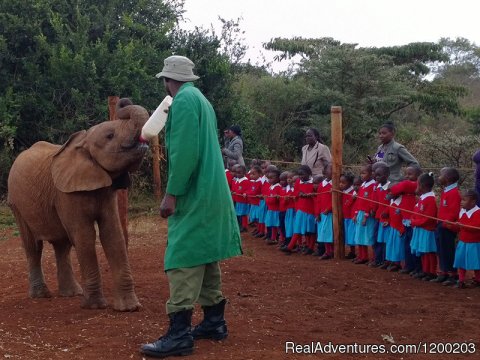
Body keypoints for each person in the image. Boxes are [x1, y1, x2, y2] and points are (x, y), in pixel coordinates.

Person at [140, 55, 242, 358]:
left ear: (167, 80)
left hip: (195, 193)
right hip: (212, 191)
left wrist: (171, 194)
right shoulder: (200, 99)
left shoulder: (182, 102)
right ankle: (214, 322)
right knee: (205, 254)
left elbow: (185, 152)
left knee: (182, 255)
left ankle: (179, 333)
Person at [433, 167, 461, 285]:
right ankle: (443, 272)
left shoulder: (454, 193)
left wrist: (445, 223)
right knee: (441, 249)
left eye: (441, 175)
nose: (439, 177)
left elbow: (454, 212)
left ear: (448, 178)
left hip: (447, 227)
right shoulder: (446, 190)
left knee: (448, 249)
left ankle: (452, 274)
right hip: (441, 224)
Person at [410, 173, 438, 281]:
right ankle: (425, 271)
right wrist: (413, 220)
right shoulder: (423, 198)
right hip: (421, 229)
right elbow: (416, 212)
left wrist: (415, 222)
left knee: (429, 252)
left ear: (422, 186)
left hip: (427, 230)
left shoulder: (430, 199)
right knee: (423, 252)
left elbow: (429, 218)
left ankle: (431, 272)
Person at [453, 189, 480, 288]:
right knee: (461, 261)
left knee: (476, 262)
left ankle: (478, 279)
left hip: (474, 243)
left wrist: (462, 225)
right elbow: (460, 227)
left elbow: (475, 227)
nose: (461, 202)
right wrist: (452, 225)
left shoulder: (478, 213)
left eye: (464, 200)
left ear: (473, 202)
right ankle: (461, 280)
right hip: (463, 241)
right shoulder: (462, 211)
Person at [353, 164, 377, 264]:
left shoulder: (373, 185)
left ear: (371, 173)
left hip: (368, 215)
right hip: (360, 213)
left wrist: (366, 216)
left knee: (369, 236)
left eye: (364, 173)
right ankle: (362, 256)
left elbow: (371, 202)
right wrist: (356, 213)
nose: (362, 175)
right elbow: (359, 201)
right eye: (361, 173)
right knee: (360, 236)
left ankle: (374, 258)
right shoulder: (363, 185)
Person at [340, 173, 357, 259]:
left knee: (351, 235)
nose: (341, 184)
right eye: (340, 182)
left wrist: (351, 199)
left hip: (351, 217)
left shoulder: (353, 192)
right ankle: (351, 251)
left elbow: (347, 205)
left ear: (350, 183)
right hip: (345, 217)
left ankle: (353, 252)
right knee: (347, 235)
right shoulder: (341, 192)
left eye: (343, 183)